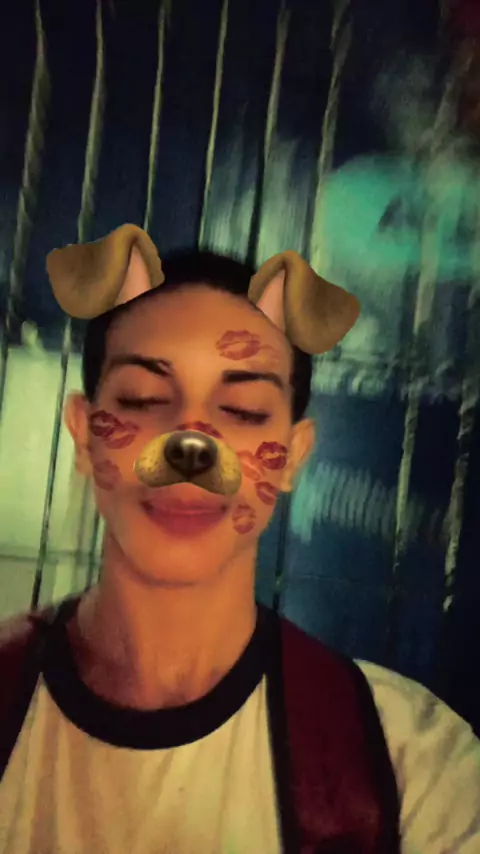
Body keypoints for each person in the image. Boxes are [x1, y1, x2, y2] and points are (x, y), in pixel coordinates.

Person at [0, 226, 479, 854]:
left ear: (293, 456)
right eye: (144, 398)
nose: (191, 444)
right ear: (84, 433)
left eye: (245, 410)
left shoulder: (409, 763)